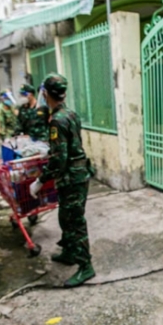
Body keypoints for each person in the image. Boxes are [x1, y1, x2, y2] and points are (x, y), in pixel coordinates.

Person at [29, 73, 95, 288]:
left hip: (72, 178)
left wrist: (40, 180)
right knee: (65, 217)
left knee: (75, 222)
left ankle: (86, 266)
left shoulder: (57, 120)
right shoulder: (70, 113)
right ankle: (68, 252)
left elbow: (60, 158)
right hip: (78, 174)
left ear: (46, 94)